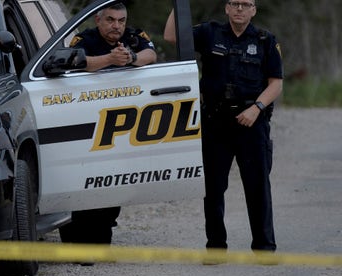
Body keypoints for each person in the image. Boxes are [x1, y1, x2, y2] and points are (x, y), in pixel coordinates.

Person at [164, 0, 283, 252]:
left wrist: (256, 109)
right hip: (216, 123)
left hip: (251, 122)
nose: (240, 8)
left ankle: (264, 246)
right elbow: (171, 36)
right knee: (213, 188)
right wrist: (179, 3)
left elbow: (275, 83)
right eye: (235, 3)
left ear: (254, 10)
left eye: (246, 4)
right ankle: (216, 245)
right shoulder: (210, 33)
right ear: (227, 8)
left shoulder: (265, 40)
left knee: (257, 185)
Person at [69, 3, 156, 72]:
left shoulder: (133, 35)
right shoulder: (85, 38)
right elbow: (74, 61)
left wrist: (131, 57)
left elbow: (151, 54)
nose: (116, 26)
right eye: (110, 20)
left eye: (121, 21)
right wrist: (110, 59)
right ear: (98, 20)